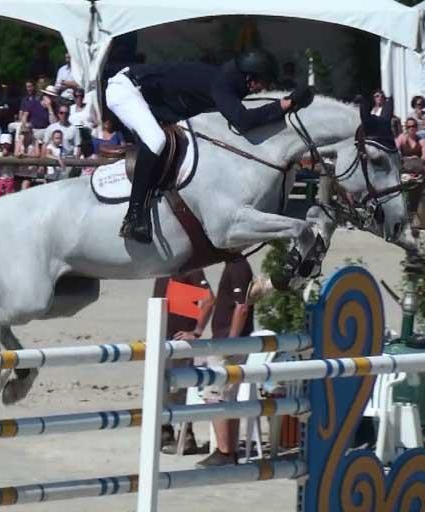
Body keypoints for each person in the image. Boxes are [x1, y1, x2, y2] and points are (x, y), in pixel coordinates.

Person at [105, 49, 308, 243]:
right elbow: (243, 121)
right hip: (126, 89)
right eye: (263, 83)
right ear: (250, 77)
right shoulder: (221, 83)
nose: (263, 89)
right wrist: (285, 104)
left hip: (151, 100)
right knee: (156, 140)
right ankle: (133, 217)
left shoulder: (227, 82)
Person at [196, 256, 255, 467]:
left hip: (228, 343)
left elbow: (242, 307)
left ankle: (224, 451)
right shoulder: (236, 265)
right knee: (228, 396)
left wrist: (231, 340)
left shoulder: (238, 267)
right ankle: (230, 451)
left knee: (214, 395)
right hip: (231, 341)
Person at [152, 270, 214, 455]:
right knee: (161, 388)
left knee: (178, 389)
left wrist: (196, 332)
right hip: (162, 336)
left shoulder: (190, 267)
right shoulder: (164, 267)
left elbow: (209, 298)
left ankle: (186, 436)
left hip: (179, 339)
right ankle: (165, 432)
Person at [15, 122, 41, 190]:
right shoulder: (19, 140)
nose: (25, 134)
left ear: (31, 132)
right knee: (17, 190)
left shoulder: (35, 141)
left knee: (25, 188)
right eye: (23, 132)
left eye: (27, 132)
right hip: (19, 170)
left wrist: (25, 155)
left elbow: (37, 154)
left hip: (30, 171)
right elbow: (16, 153)